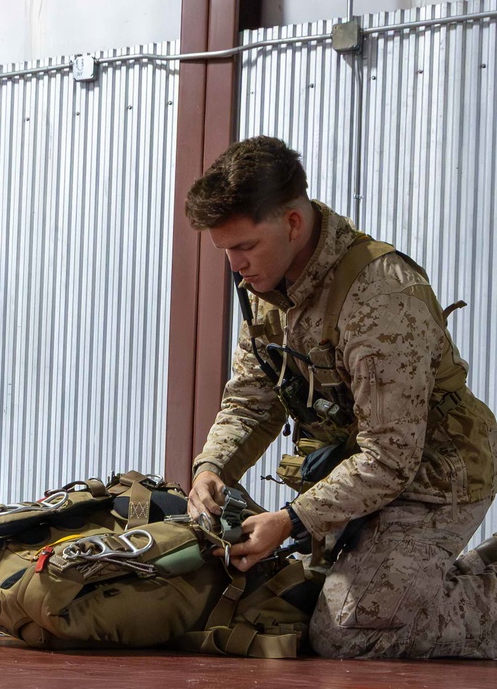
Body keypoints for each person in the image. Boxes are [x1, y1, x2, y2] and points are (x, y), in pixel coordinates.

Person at [184, 136, 497, 660]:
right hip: (353, 478)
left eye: (245, 247)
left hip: (436, 476)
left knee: (349, 633)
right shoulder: (266, 287)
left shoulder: (380, 294)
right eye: (226, 252)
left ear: (292, 224)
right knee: (304, 606)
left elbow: (393, 457)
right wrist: (212, 468)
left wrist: (292, 519)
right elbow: (252, 399)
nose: (236, 266)